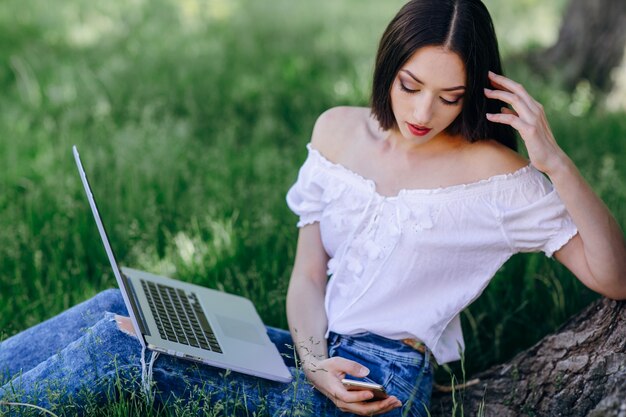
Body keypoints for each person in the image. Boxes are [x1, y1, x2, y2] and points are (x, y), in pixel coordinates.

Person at [1, 0, 625, 416]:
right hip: (316, 350)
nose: (421, 114)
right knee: (121, 306)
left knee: (120, 349)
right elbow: (307, 275)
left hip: (376, 385)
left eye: (448, 97)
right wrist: (314, 359)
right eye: (410, 85)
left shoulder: (495, 175)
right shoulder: (337, 132)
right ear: (388, 65)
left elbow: (613, 276)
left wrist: (554, 161)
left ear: (474, 95)